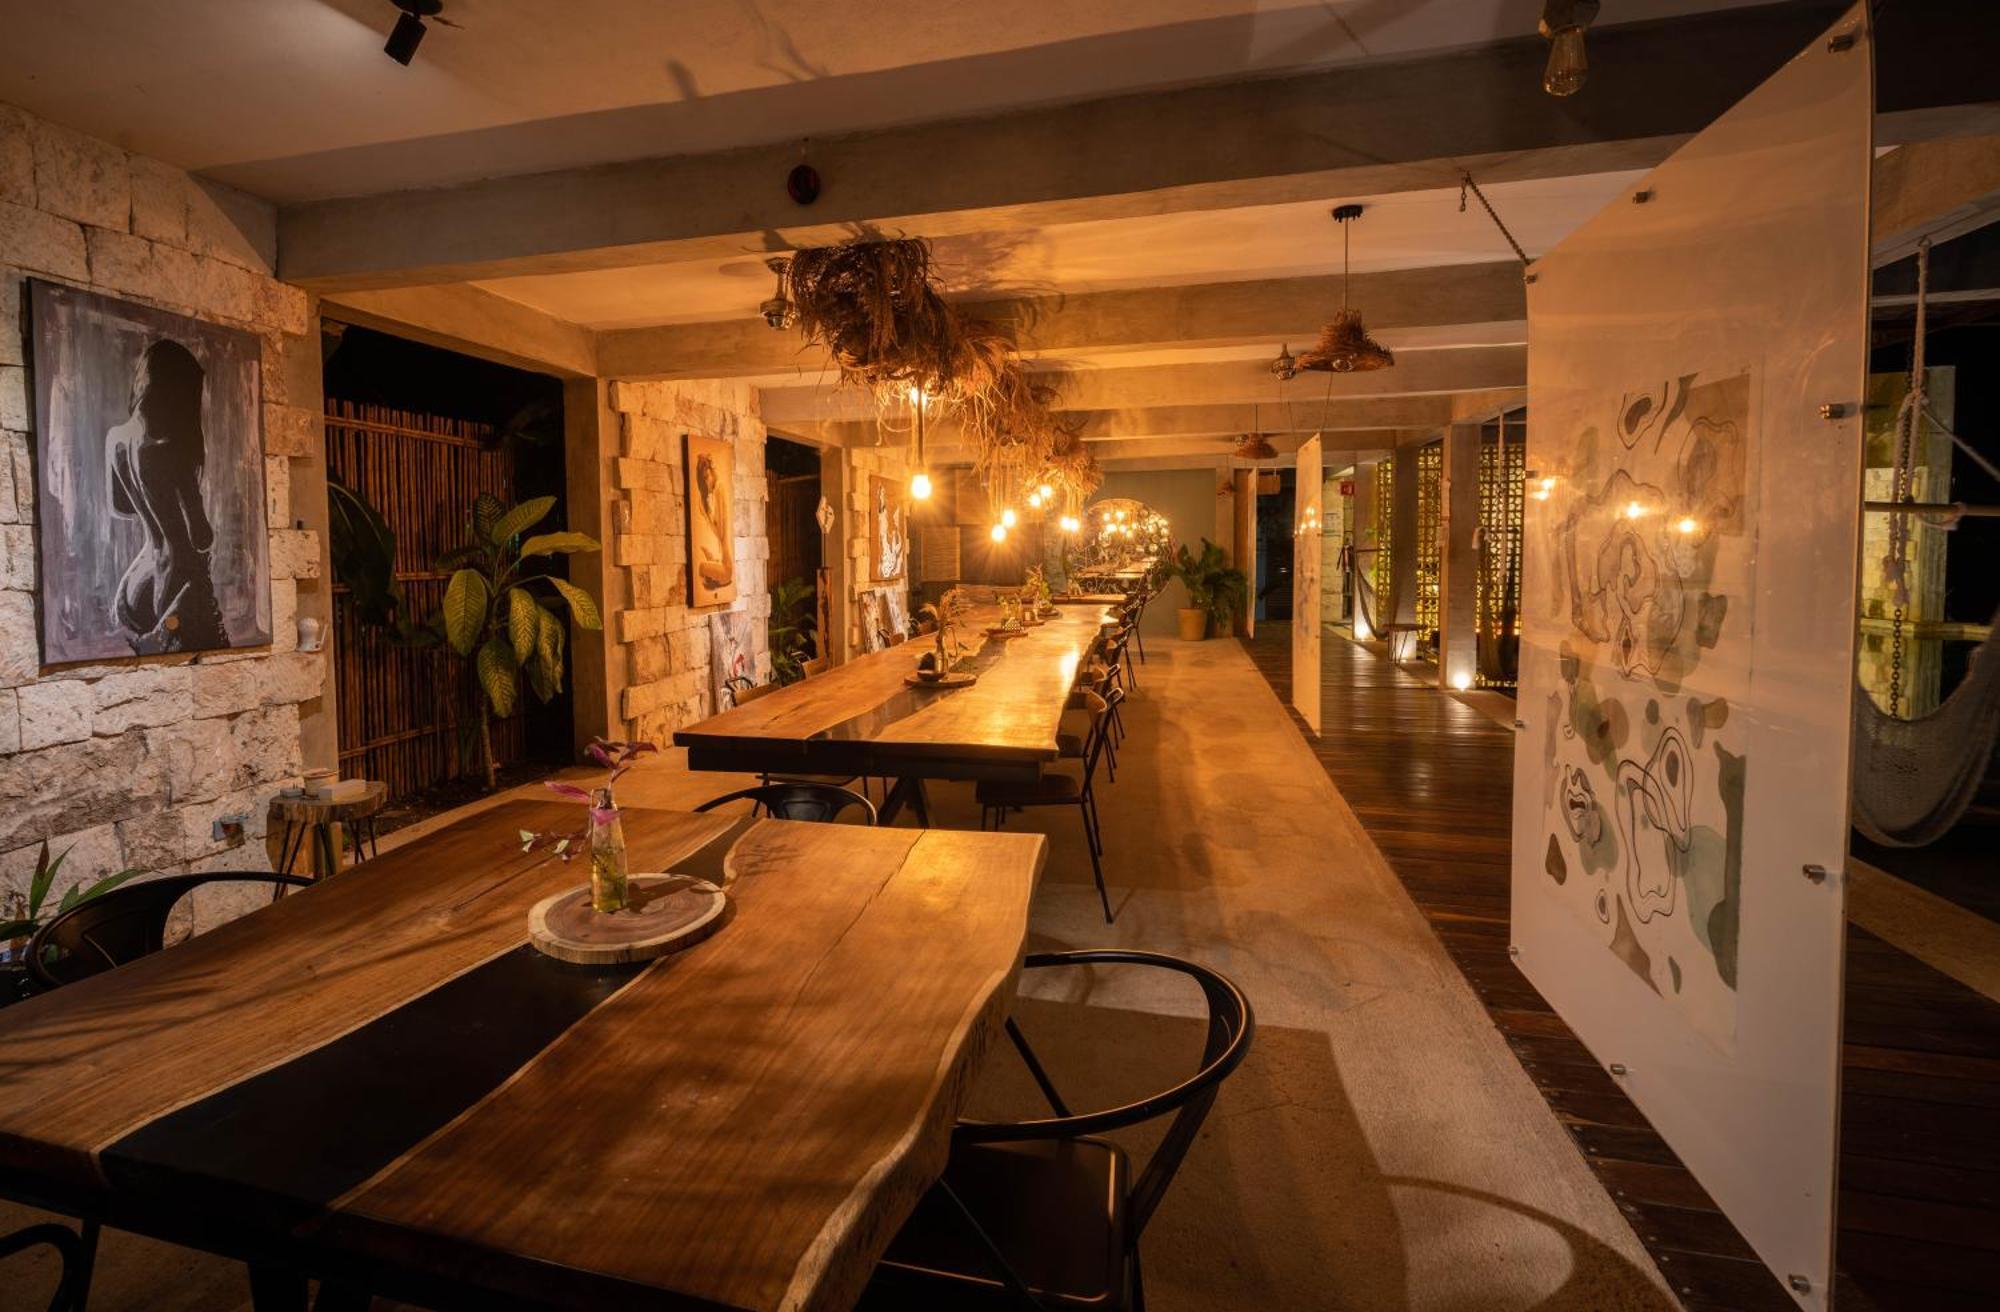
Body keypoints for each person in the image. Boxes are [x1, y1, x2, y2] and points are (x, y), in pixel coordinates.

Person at [107, 338, 228, 653]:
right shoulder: (172, 447)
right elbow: (201, 535)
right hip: (177, 580)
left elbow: (122, 507)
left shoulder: (116, 439)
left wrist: (152, 500)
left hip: (138, 579)